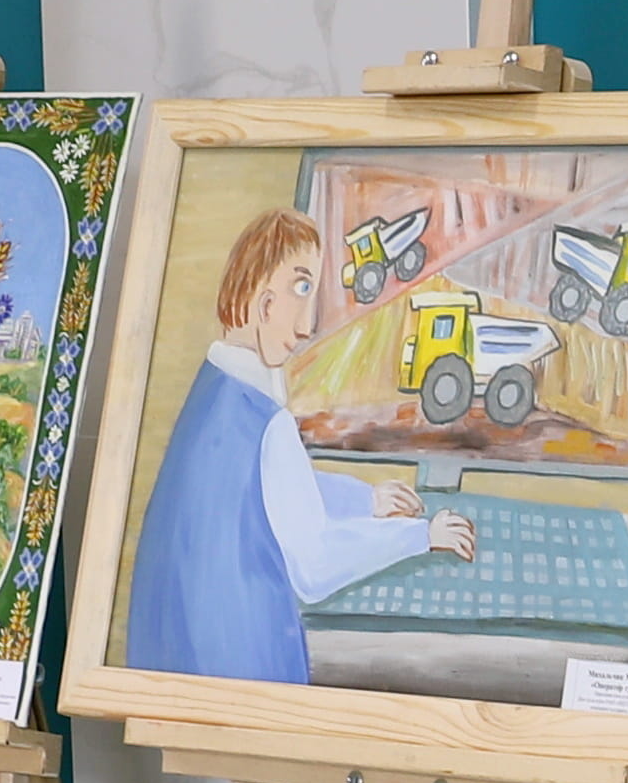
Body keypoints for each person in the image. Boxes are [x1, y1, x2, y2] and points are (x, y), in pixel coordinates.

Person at [123, 204, 470, 679]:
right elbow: (315, 566)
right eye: (301, 287)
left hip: (171, 666)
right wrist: (421, 536)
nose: (306, 326)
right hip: (241, 677)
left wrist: (364, 501)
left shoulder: (215, 390)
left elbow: (264, 491)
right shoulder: (266, 422)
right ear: (262, 300)